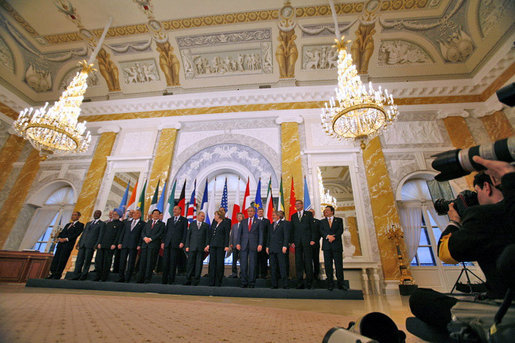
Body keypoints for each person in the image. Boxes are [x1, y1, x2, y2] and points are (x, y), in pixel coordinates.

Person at [409, 170, 514, 333]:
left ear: (487, 187)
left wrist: (455, 221)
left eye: (477, 191)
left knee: (419, 299)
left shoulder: (483, 217)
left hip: (504, 308)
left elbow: (446, 254)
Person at [47, 211, 84, 279]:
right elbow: (62, 232)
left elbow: (76, 234)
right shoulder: (68, 225)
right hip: (60, 244)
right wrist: (59, 238)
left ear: (79, 216)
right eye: (72, 215)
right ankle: (52, 273)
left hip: (67, 245)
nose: (73, 216)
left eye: (75, 215)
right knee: (56, 259)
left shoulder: (80, 225)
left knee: (62, 259)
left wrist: (66, 239)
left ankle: (58, 274)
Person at [290, 200, 316, 289]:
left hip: (307, 242)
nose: (297, 205)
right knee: (298, 263)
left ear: (302, 205)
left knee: (308, 262)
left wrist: (313, 239)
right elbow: (292, 230)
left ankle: (309, 283)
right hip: (297, 243)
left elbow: (312, 228)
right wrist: (292, 241)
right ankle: (299, 282)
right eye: (295, 204)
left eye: (298, 204)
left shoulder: (308, 214)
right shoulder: (293, 216)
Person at [71, 210, 104, 280]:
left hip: (91, 245)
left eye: (98, 213)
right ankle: (76, 275)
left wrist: (97, 244)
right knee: (79, 260)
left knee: (87, 261)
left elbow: (100, 235)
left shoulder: (101, 224)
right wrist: (79, 242)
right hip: (83, 244)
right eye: (95, 213)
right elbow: (83, 234)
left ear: (100, 215)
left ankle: (84, 275)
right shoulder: (88, 223)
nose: (96, 214)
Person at [320, 205, 347, 291]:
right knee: (328, 265)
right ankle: (330, 283)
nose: (326, 212)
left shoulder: (339, 220)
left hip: (337, 246)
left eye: (327, 210)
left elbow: (340, 230)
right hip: (327, 246)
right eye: (325, 211)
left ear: (332, 211)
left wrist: (333, 237)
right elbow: (321, 231)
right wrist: (328, 236)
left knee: (339, 265)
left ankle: (340, 284)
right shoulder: (322, 222)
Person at [237, 207, 263, 288]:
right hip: (244, 245)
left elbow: (261, 234)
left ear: (254, 212)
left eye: (251, 211)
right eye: (248, 211)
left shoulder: (258, 222)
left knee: (252, 264)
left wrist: (260, 244)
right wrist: (238, 243)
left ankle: (251, 282)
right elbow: (239, 233)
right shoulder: (243, 222)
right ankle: (244, 282)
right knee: (243, 264)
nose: (250, 212)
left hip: (254, 245)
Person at [94, 209, 123, 281]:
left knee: (107, 262)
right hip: (103, 244)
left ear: (119, 216)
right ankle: (98, 276)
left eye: (116, 214)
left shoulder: (121, 224)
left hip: (111, 246)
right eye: (114, 214)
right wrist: (99, 243)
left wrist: (114, 244)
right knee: (99, 261)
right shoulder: (108, 223)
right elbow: (102, 234)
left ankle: (104, 277)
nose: (114, 215)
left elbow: (118, 235)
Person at [161, 206, 188, 284]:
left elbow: (184, 232)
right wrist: (163, 242)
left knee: (173, 262)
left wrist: (182, 242)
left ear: (180, 210)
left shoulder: (184, 220)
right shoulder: (169, 220)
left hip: (176, 244)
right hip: (167, 243)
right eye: (173, 209)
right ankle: (164, 280)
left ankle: (171, 280)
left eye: (176, 209)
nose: (174, 210)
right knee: (165, 262)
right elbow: (165, 232)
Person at [117, 209, 145, 283]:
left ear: (140, 215)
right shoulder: (127, 223)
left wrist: (139, 244)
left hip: (134, 245)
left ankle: (128, 278)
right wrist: (120, 242)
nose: (135, 214)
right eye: (134, 213)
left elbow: (141, 235)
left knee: (131, 262)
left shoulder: (142, 224)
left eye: (137, 213)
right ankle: (121, 277)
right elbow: (122, 233)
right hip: (125, 244)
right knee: (122, 261)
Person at [137, 209, 165, 283]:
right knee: (142, 262)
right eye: (154, 213)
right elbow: (143, 232)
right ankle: (140, 278)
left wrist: (151, 239)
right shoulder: (148, 222)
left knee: (150, 263)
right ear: (152, 215)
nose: (155, 215)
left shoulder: (162, 224)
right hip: (145, 245)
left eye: (157, 214)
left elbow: (160, 233)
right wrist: (145, 238)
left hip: (153, 245)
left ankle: (147, 279)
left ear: (159, 216)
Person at [184, 211, 209, 286]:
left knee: (198, 265)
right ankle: (188, 279)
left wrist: (206, 245)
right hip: (192, 247)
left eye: (204, 216)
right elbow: (188, 236)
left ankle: (196, 281)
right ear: (197, 216)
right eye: (201, 216)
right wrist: (187, 246)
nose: (203, 217)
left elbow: (207, 237)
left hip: (201, 248)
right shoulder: (192, 224)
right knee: (190, 264)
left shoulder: (206, 226)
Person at [206, 210, 230, 287]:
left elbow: (226, 235)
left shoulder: (225, 223)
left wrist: (226, 245)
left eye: (215, 215)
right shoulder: (214, 223)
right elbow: (211, 234)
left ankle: (218, 281)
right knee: (212, 263)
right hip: (213, 245)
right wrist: (208, 244)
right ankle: (211, 281)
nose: (214, 217)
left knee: (219, 263)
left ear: (219, 216)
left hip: (221, 246)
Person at [267, 211, 289, 289]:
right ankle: (274, 284)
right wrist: (267, 246)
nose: (272, 216)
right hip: (272, 249)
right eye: (272, 215)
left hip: (280, 248)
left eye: (274, 215)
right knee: (273, 267)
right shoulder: (271, 225)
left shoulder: (284, 224)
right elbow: (268, 237)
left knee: (282, 266)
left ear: (278, 216)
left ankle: (285, 284)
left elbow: (286, 236)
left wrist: (285, 245)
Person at [256, 208, 270, 279]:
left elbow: (268, 234)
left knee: (264, 260)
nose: (260, 213)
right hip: (255, 244)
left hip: (264, 244)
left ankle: (264, 274)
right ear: (257, 213)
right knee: (256, 260)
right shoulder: (254, 221)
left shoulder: (267, 221)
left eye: (262, 212)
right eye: (259, 212)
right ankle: (256, 274)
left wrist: (267, 244)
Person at [308, 209, 322, 280]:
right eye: (309, 213)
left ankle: (317, 275)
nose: (311, 214)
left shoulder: (318, 222)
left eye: (312, 213)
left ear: (314, 214)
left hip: (315, 244)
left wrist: (314, 240)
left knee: (316, 260)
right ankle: (309, 275)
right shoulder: (304, 222)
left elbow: (319, 233)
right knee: (307, 260)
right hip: (306, 245)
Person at [229, 212, 244, 278]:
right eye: (238, 216)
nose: (239, 217)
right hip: (234, 245)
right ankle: (234, 273)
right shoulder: (234, 225)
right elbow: (232, 235)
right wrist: (231, 243)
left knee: (242, 261)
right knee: (234, 260)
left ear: (243, 217)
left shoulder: (244, 225)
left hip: (242, 246)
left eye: (240, 216)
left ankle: (241, 274)